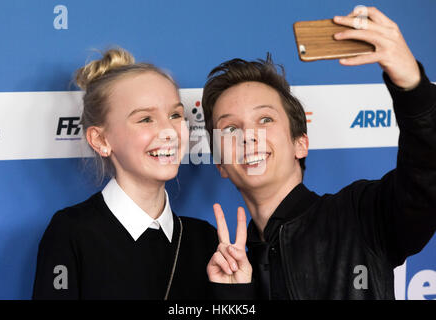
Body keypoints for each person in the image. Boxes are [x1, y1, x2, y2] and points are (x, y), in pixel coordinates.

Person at [203, 7, 436, 299]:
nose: (249, 136)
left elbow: (426, 178)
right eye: (230, 129)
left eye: (265, 119)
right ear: (220, 164)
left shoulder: (361, 215)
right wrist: (234, 299)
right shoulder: (233, 268)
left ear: (300, 143)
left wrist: (413, 87)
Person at [32, 48, 217, 299]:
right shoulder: (70, 233)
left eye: (175, 115)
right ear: (101, 139)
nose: (169, 131)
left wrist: (237, 293)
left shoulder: (205, 239)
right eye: (145, 119)